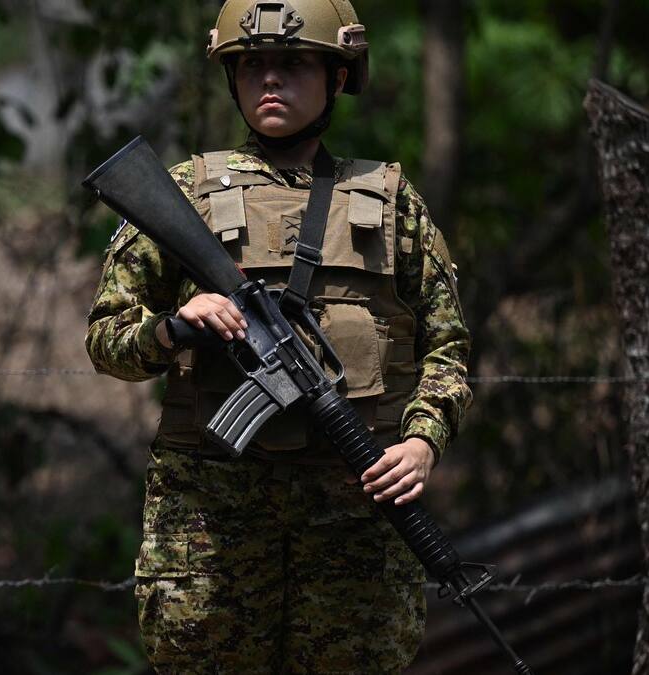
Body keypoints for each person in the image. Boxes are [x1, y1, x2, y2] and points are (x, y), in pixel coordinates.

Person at [85, 0, 471, 672]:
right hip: (210, 527)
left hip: (351, 523)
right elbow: (107, 341)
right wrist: (176, 326)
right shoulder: (183, 196)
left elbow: (448, 345)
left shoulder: (390, 198)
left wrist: (421, 441)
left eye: (292, 64)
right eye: (253, 64)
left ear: (337, 78)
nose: (270, 80)